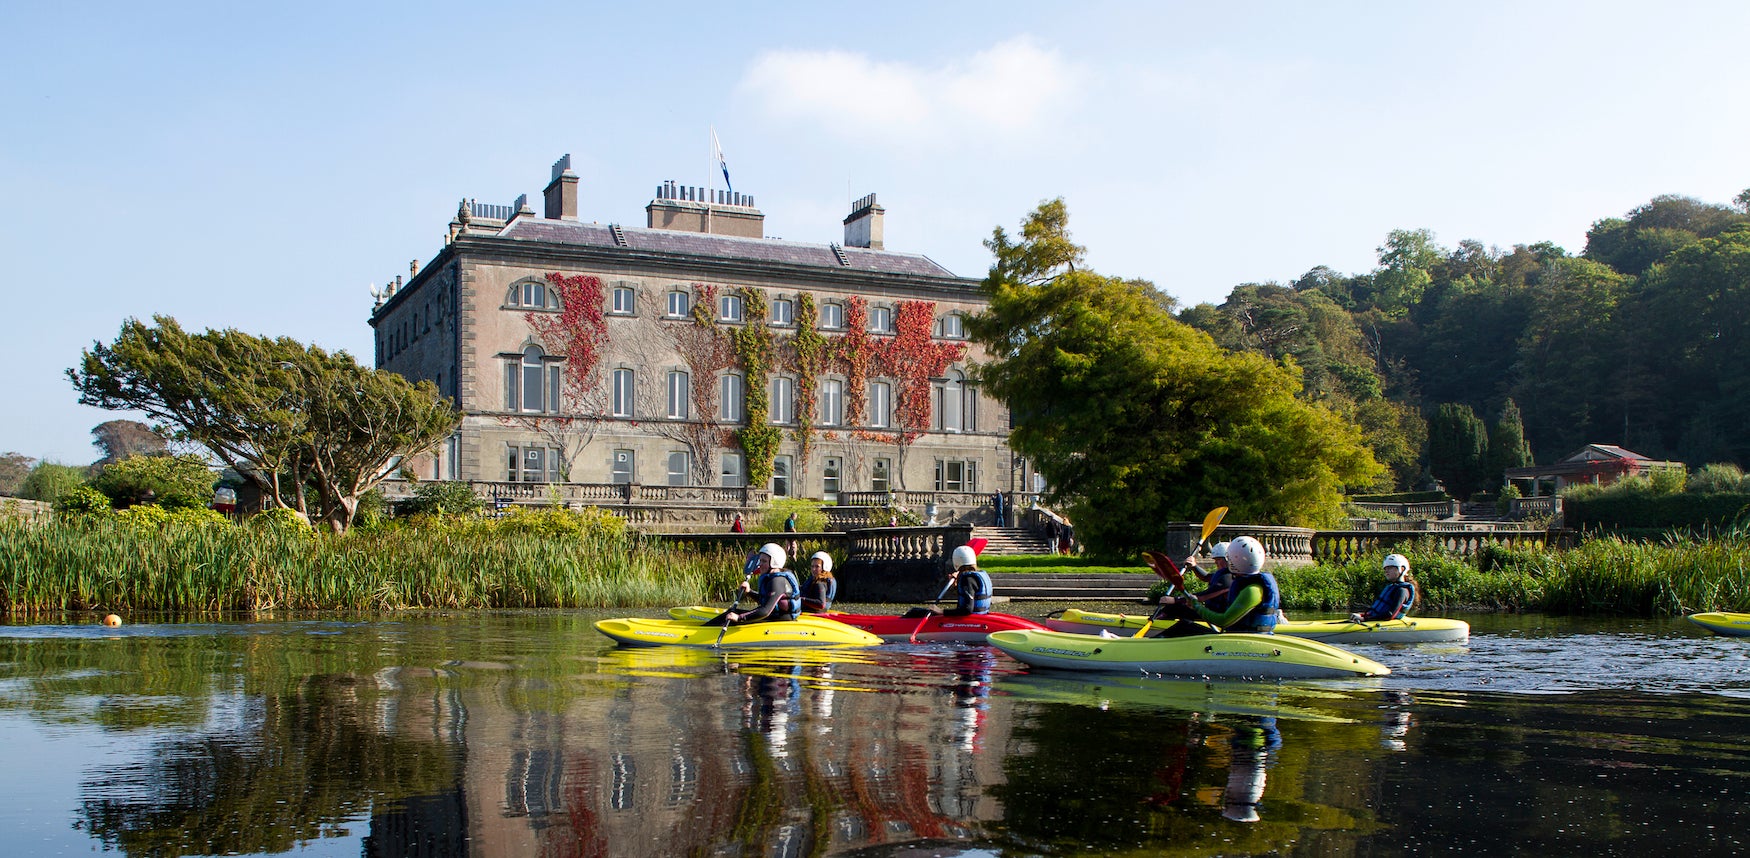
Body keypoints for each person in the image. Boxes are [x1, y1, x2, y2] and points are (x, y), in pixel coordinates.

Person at [1153, 535, 1280, 635]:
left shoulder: (1252, 590)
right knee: (1184, 625)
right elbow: (1206, 577)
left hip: (1245, 639)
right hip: (1241, 635)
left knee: (1183, 628)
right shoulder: (1248, 583)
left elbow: (1223, 621)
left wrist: (1196, 606)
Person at [712, 543, 800, 626]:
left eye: (764, 561)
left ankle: (704, 633)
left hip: (778, 619)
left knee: (732, 615)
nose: (760, 565)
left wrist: (739, 618)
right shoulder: (772, 578)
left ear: (774, 563)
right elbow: (766, 600)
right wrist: (749, 592)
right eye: (760, 560)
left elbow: (765, 611)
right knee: (731, 612)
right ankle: (703, 629)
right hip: (772, 616)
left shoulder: (777, 581)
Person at [903, 545, 992, 618]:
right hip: (979, 617)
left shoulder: (968, 579)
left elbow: (967, 609)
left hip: (970, 620)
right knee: (917, 611)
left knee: (914, 612)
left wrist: (941, 611)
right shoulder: (977, 576)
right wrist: (956, 584)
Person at [1350, 553, 1418, 623]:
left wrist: (1365, 619)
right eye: (1385, 568)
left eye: (1390, 568)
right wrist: (1363, 615)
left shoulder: (1402, 591)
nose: (1386, 571)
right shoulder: (1392, 588)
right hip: (1377, 620)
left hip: (1388, 623)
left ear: (1402, 569)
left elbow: (1390, 615)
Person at [1183, 541, 1234, 611]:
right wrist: (1194, 566)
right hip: (1212, 612)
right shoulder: (1222, 574)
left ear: (1229, 560)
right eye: (1215, 560)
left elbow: (1204, 595)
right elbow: (1206, 577)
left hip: (1219, 617)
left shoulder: (1229, 578)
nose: (1216, 562)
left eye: (1218, 559)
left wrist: (1176, 599)